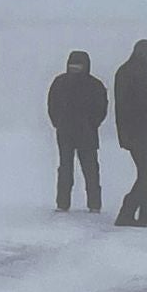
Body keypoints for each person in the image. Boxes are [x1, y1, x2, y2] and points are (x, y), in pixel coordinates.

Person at [113, 38, 147, 227]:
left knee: (146, 173)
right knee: (146, 174)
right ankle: (126, 213)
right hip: (139, 133)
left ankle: (146, 212)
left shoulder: (132, 73)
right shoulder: (133, 74)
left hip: (142, 131)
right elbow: (134, 107)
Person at [48, 50, 108, 213]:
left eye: (78, 65)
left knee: (86, 169)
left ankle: (85, 204)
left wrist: (90, 124)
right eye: (73, 65)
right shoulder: (93, 84)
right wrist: (59, 123)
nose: (75, 68)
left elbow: (101, 109)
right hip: (74, 132)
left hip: (80, 132)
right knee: (74, 169)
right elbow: (52, 106)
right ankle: (71, 204)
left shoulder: (63, 82)